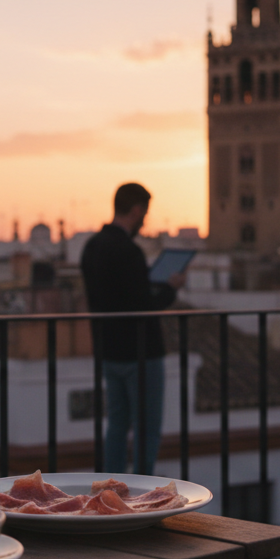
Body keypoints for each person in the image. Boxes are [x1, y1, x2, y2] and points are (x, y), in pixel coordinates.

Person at [80, 182, 185, 475]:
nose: (144, 221)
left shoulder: (91, 247)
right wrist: (170, 288)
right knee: (147, 429)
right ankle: (143, 492)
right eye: (144, 214)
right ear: (137, 210)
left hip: (109, 350)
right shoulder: (129, 251)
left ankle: (110, 488)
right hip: (142, 353)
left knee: (116, 425)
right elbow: (144, 303)